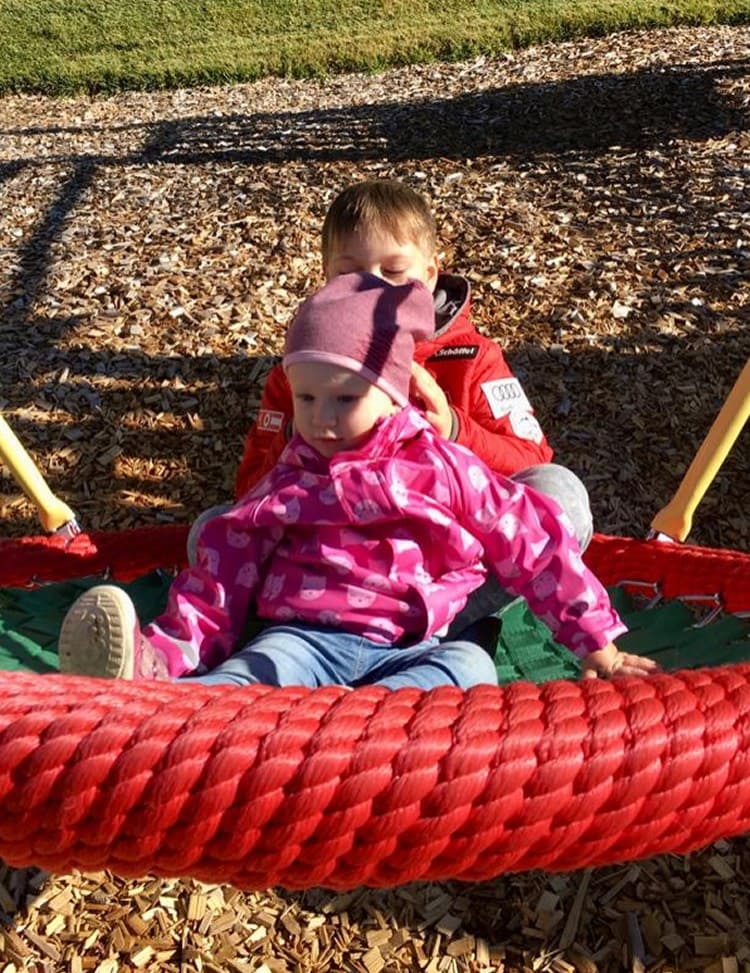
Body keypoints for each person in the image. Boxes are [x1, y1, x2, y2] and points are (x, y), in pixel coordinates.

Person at [58, 273, 657, 688]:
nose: (319, 417)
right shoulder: (291, 478)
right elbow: (219, 581)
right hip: (305, 637)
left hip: (414, 643)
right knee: (253, 672)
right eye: (307, 396)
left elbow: (533, 545)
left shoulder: (441, 467)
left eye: (344, 397)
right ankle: (163, 689)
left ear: (393, 394)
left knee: (467, 672)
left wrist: (595, 644)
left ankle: (361, 728)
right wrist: (170, 649)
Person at [191, 179, 594, 641]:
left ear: (432, 273)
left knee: (560, 493)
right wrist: (309, 431)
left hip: (443, 562)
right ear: (326, 277)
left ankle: (439, 625)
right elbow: (250, 492)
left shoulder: (469, 357)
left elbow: (532, 459)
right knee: (209, 532)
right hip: (327, 563)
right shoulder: (303, 371)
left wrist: (455, 429)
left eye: (396, 272)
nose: (375, 290)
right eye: (352, 274)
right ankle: (305, 629)